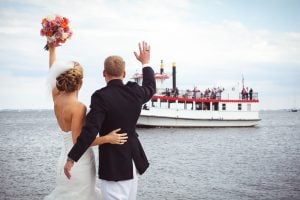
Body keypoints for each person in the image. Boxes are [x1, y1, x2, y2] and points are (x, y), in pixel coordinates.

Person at [64, 41, 156, 200]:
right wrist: (145, 63)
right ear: (124, 73)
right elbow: (150, 87)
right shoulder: (135, 92)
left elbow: (90, 131)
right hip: (133, 163)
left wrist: (72, 158)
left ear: (104, 73)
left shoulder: (101, 97)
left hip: (114, 166)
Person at [44, 44, 128, 200]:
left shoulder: (57, 99)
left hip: (64, 158)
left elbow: (52, 72)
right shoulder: (78, 107)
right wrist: (108, 138)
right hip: (79, 163)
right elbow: (79, 141)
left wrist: (52, 49)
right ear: (80, 83)